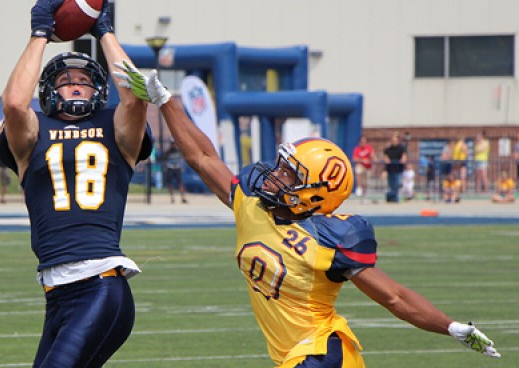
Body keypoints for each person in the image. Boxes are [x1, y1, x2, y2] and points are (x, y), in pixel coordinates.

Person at [116, 62, 500, 367]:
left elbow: (396, 298)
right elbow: (202, 157)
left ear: (317, 194)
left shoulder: (329, 240)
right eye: (282, 165)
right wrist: (165, 99)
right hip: (294, 357)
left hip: (320, 353)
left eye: (290, 173)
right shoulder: (251, 205)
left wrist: (450, 327)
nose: (275, 174)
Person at [0, 0, 152, 367]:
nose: (75, 85)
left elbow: (135, 98)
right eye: (66, 80)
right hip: (56, 293)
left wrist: (106, 33)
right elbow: (15, 104)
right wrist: (39, 35)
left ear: (98, 88)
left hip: (101, 286)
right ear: (49, 89)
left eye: (83, 79)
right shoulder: (33, 133)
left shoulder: (115, 129)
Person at [352, 135, 377, 203]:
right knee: (358, 169)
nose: (363, 143)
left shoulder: (369, 148)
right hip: (361, 165)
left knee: (365, 182)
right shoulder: (357, 149)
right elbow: (355, 158)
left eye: (364, 141)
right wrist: (362, 160)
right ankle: (359, 187)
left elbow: (373, 156)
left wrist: (374, 159)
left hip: (368, 167)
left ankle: (364, 195)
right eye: (362, 141)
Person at [383, 132, 407, 203]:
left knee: (397, 184)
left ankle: (391, 196)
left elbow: (404, 157)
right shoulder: (388, 149)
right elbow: (385, 158)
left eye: (395, 140)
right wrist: (387, 161)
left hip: (398, 169)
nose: (394, 142)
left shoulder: (402, 148)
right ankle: (392, 198)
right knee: (392, 185)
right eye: (393, 140)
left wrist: (402, 160)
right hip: (390, 170)